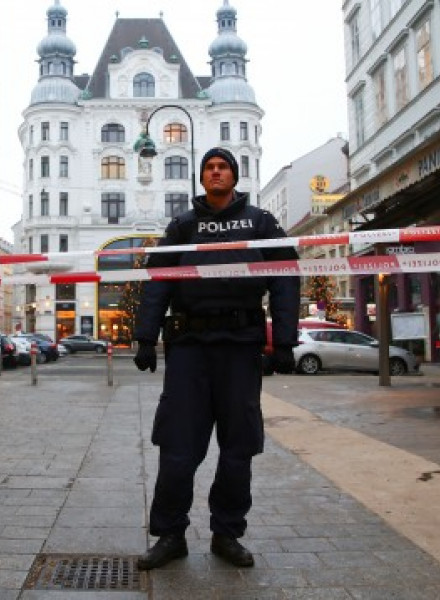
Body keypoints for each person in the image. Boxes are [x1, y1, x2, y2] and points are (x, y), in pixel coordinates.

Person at [132, 147, 300, 570]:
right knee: (177, 448)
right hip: (189, 348)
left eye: (223, 166)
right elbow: (158, 281)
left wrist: (283, 341)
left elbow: (285, 278)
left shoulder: (261, 223)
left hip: (240, 348)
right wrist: (144, 337)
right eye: (209, 167)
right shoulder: (183, 225)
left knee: (237, 448)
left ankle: (227, 533)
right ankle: (170, 534)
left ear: (234, 176)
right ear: (202, 178)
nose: (216, 172)